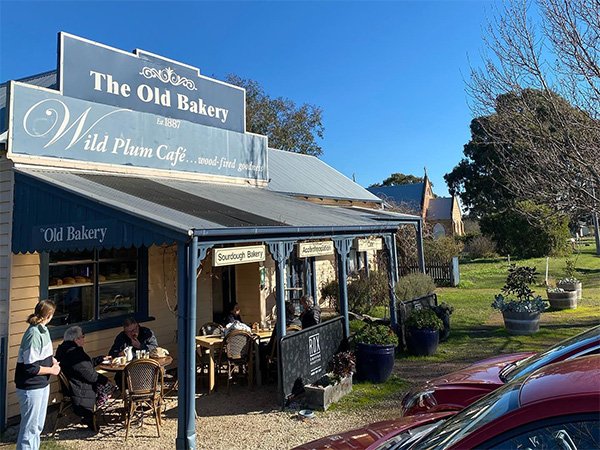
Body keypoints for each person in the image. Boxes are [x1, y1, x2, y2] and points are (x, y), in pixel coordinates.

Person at [14, 299, 61, 450]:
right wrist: (52, 370)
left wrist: (53, 361)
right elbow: (30, 367)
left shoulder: (44, 330)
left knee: (37, 427)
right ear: (49, 315)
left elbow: (43, 355)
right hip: (30, 387)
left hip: (42, 385)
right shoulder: (33, 334)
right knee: (29, 429)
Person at [55, 326, 113, 431]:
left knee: (105, 383)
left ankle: (90, 414)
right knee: (109, 386)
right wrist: (104, 379)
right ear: (76, 339)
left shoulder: (64, 349)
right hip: (79, 387)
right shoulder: (75, 353)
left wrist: (100, 359)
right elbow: (90, 375)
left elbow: (84, 365)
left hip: (73, 383)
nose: (84, 339)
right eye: (82, 336)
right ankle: (91, 414)